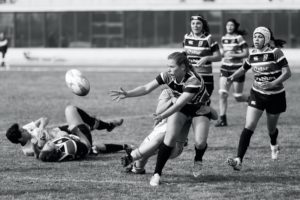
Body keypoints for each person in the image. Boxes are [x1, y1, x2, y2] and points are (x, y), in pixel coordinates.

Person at [110, 52, 214, 186]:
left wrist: (162, 116)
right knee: (169, 137)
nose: (168, 69)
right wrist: (128, 94)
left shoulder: (193, 80)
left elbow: (178, 104)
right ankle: (156, 174)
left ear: (183, 67)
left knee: (200, 143)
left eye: (172, 67)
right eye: (168, 66)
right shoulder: (167, 76)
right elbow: (146, 88)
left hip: (199, 110)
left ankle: (198, 159)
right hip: (182, 109)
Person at [226, 27, 291, 171]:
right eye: (255, 37)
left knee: (271, 128)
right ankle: (239, 160)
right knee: (249, 126)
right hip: (257, 94)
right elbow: (243, 68)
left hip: (276, 96)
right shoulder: (252, 54)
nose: (256, 39)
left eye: (260, 37)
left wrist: (273, 83)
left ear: (266, 39)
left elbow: (287, 73)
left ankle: (274, 144)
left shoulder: (275, 53)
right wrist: (232, 77)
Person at [122, 89, 218, 174]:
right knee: (141, 162)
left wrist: (203, 106)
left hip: (174, 145)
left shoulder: (194, 97)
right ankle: (136, 166)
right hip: (155, 136)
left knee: (164, 136)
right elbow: (158, 112)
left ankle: (133, 155)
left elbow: (215, 116)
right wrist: (172, 101)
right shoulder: (168, 92)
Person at [6, 105, 125, 158]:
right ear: (20, 139)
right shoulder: (27, 149)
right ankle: (106, 126)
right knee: (72, 111)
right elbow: (45, 151)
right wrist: (39, 142)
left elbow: (44, 119)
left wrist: (41, 127)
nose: (26, 129)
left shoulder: (26, 129)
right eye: (23, 131)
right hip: (67, 138)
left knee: (83, 120)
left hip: (61, 131)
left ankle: (106, 125)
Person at [215, 19, 250, 127]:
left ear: (235, 27)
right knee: (222, 94)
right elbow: (222, 53)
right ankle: (222, 120)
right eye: (227, 25)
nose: (229, 27)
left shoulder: (239, 38)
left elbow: (246, 53)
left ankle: (252, 99)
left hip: (238, 70)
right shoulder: (223, 38)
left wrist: (234, 55)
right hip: (225, 68)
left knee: (238, 96)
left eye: (231, 25)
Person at [183, 14, 222, 97]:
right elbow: (185, 55)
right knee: (189, 105)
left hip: (205, 78)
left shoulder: (209, 38)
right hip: (190, 76)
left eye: (198, 23)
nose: (195, 26)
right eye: (193, 23)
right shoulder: (186, 37)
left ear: (203, 25)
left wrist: (207, 58)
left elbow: (218, 57)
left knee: (203, 106)